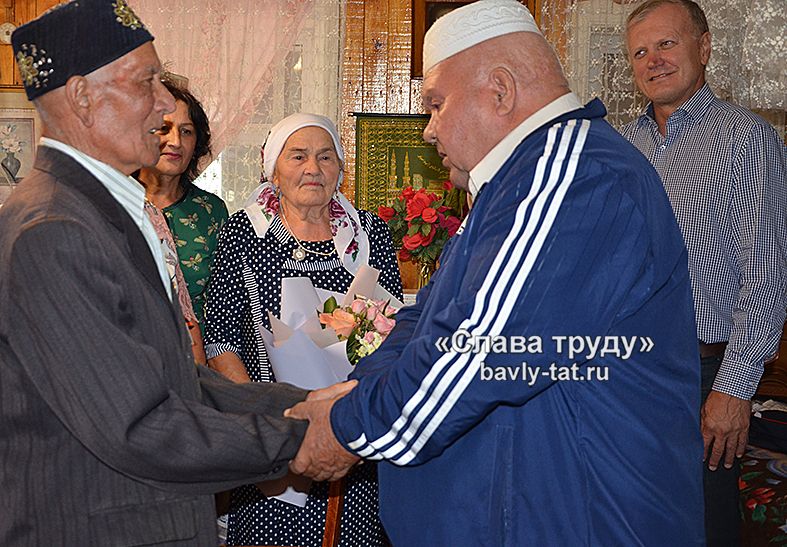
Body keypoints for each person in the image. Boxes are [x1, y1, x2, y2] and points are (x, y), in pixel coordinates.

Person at [285, 0, 705, 544]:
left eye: (435, 105)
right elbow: (427, 320)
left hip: (582, 518)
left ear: (500, 90)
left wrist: (346, 428)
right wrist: (354, 391)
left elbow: (479, 351)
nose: (429, 131)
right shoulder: (518, 185)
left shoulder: (576, 176)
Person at [0, 2, 324, 544]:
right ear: (83, 96)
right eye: (147, 81)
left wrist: (300, 405)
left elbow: (169, 378)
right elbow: (138, 426)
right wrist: (298, 441)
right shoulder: (53, 231)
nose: (166, 104)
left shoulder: (101, 212)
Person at [619, 1, 787, 543]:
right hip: (628, 373)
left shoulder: (749, 141)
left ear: (704, 47)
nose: (654, 61)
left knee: (704, 527)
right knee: (634, 523)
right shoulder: (623, 148)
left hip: (703, 377)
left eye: (666, 44)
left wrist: (734, 390)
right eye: (640, 52)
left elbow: (766, 276)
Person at [204, 113, 401, 546]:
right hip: (275, 433)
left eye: (325, 157)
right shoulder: (244, 233)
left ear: (340, 170)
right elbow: (220, 338)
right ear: (274, 169)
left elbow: (394, 332)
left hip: (355, 434)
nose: (313, 168)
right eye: (298, 156)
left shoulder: (369, 234)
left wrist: (355, 412)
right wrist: (264, 415)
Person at [138, 79, 228, 336]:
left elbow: (224, 305)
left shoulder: (211, 211)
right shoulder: (113, 203)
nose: (176, 141)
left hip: (199, 361)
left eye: (186, 131)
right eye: (164, 128)